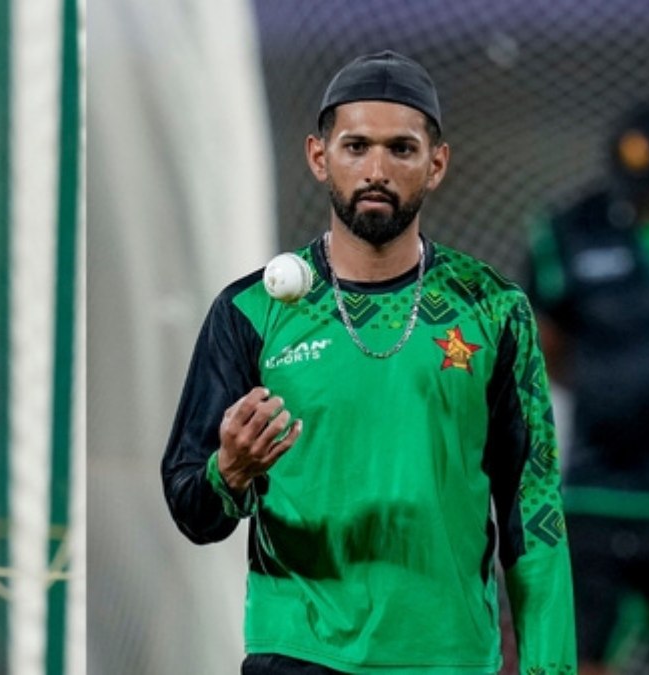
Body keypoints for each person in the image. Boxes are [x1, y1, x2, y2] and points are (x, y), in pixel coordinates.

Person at [161, 50, 575, 673]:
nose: (377, 170)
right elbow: (191, 509)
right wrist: (231, 471)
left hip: (447, 656)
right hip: (299, 650)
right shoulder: (249, 313)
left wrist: (549, 668)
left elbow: (534, 512)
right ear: (318, 156)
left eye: (401, 149)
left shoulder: (493, 310)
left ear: (437, 164)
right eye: (356, 147)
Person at [526, 103, 649, 674]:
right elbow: (546, 339)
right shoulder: (571, 229)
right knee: (577, 651)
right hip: (597, 487)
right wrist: (616, 391)